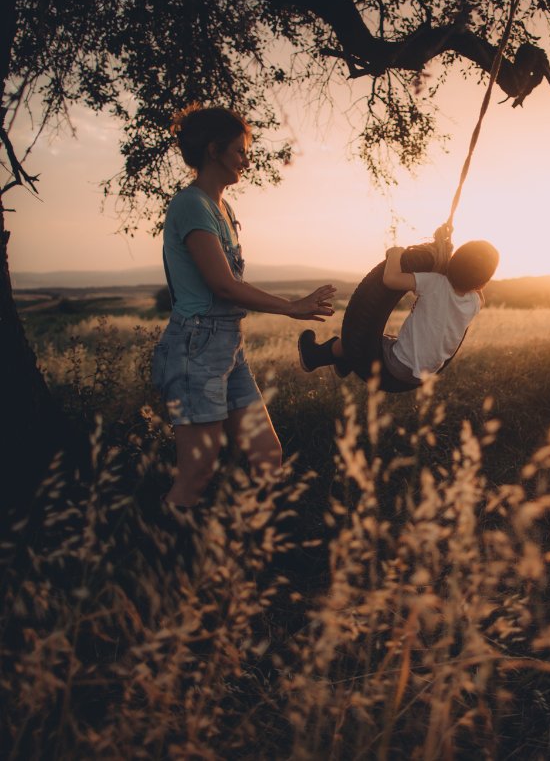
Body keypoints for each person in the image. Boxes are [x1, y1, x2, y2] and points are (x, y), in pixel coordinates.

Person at [152, 104, 336, 507]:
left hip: (228, 349)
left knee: (267, 455)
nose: (246, 160)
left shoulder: (223, 208)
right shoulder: (191, 205)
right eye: (239, 151)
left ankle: (256, 543)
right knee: (197, 474)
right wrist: (292, 307)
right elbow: (223, 285)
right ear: (214, 151)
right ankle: (161, 551)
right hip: (195, 347)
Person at [297, 238, 499, 385]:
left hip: (399, 365)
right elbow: (472, 285)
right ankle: (345, 361)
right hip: (426, 373)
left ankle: (314, 356)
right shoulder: (476, 302)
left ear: (452, 262)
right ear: (482, 283)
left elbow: (391, 280)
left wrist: (395, 253)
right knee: (388, 339)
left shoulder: (434, 282)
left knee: (358, 338)